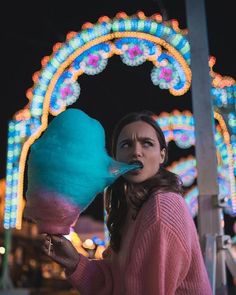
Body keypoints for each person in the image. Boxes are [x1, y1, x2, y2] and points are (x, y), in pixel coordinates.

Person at [42, 110, 212, 295]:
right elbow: (115, 282)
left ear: (162, 155)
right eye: (126, 145)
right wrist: (74, 260)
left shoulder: (161, 208)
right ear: (115, 158)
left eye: (147, 144)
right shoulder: (133, 208)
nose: (136, 152)